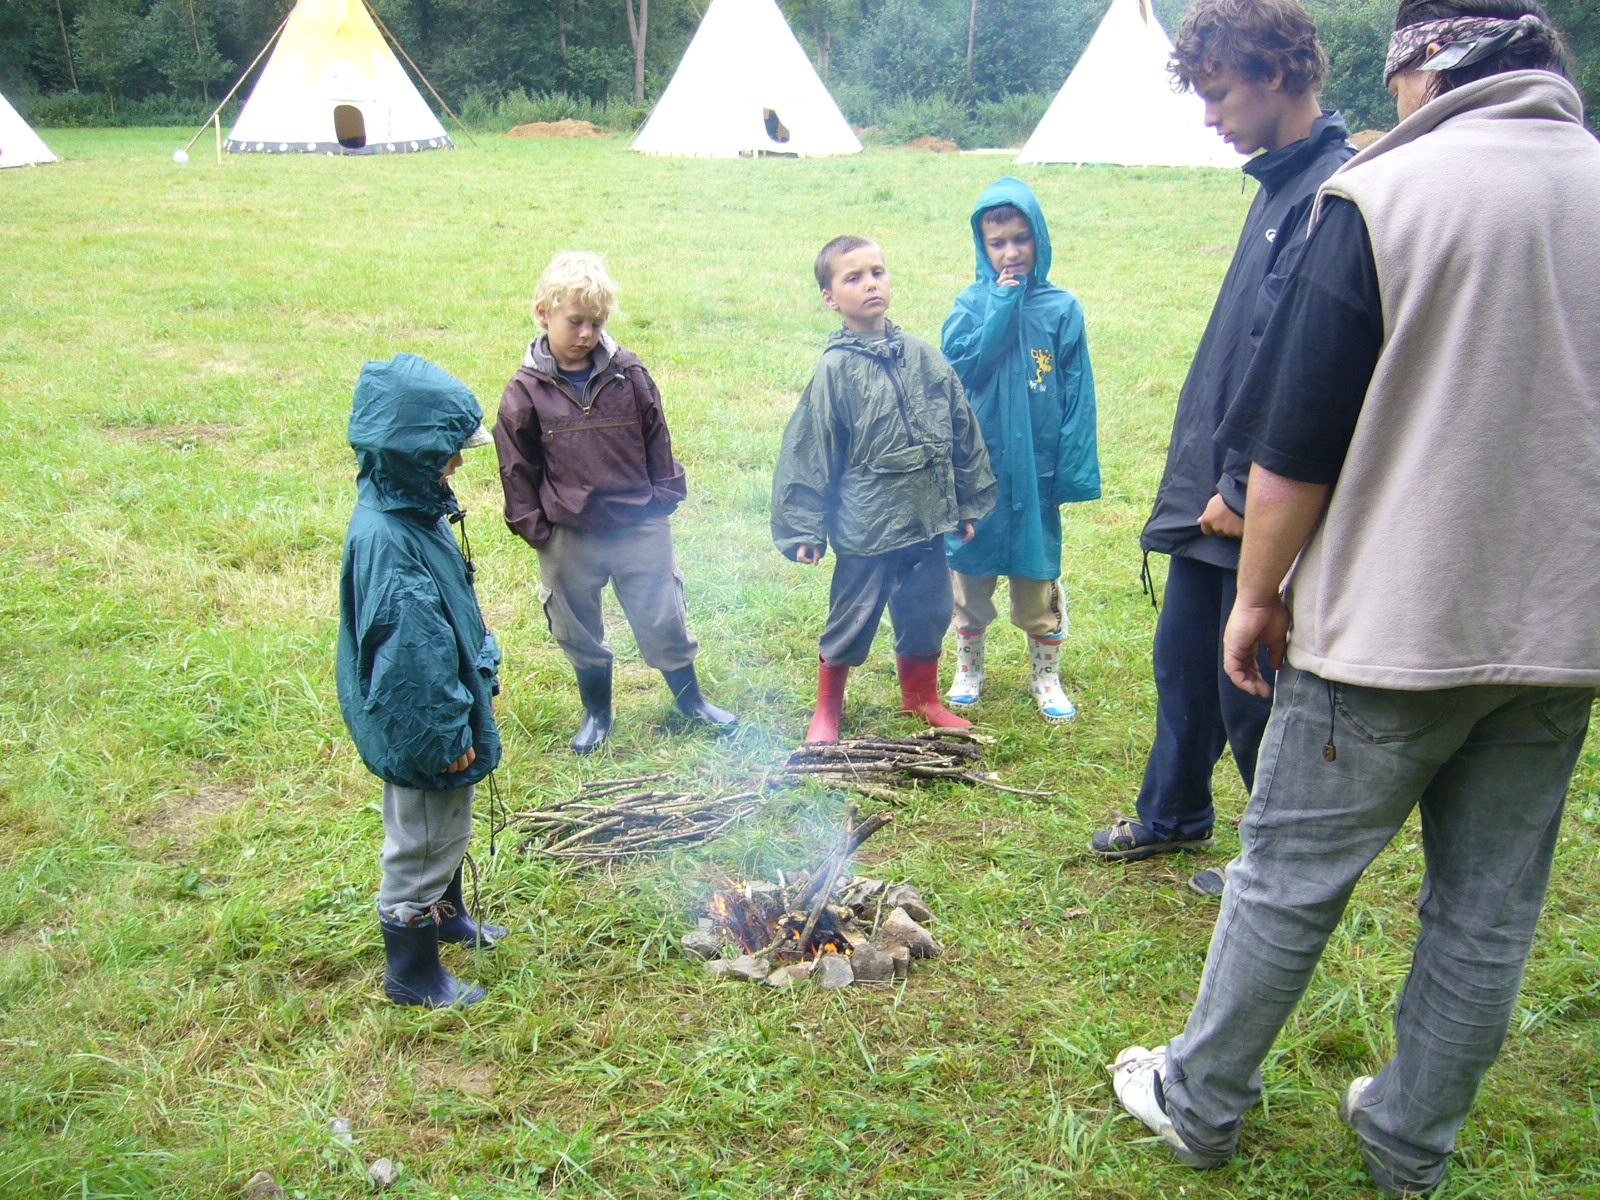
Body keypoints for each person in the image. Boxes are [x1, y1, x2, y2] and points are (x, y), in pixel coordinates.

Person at [1108, 3, 1600, 1194]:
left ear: (1428, 63)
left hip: (1389, 628)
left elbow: (1293, 448)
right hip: (1562, 632)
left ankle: (1199, 1099)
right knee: (1486, 911)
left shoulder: (1381, 194)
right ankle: (1407, 1137)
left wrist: (1256, 594)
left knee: (1284, 880)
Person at [1090, 0, 1353, 897]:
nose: (1210, 117)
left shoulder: (1329, 194)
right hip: (1214, 485)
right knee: (1183, 665)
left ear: (1276, 74)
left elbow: (1300, 365)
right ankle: (1173, 814)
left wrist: (1240, 487)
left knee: (1251, 690)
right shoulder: (1279, 183)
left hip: (1255, 495)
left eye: (1220, 94)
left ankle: (1277, 866)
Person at [494, 251, 736, 755]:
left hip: (637, 523)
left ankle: (691, 702)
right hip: (568, 530)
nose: (586, 334)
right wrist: (534, 526)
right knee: (576, 625)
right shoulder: (526, 389)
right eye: (575, 322)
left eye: (597, 323)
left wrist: (663, 497)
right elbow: (516, 464)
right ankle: (597, 714)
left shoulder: (628, 373)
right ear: (543, 313)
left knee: (662, 613)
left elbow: (656, 434)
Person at [773, 235, 996, 743]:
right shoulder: (835, 370)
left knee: (929, 610)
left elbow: (962, 428)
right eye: (852, 278)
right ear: (830, 298)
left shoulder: (923, 356)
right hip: (867, 526)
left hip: (925, 517)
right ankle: (827, 711)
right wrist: (805, 526)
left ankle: (922, 698)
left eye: (877, 271)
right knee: (851, 617)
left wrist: (965, 501)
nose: (870, 284)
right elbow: (811, 448)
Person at [336, 353, 507, 1009]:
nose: (458, 462)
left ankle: (447, 915)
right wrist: (442, 735)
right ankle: (412, 972)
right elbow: (410, 655)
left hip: (443, 710)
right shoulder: (389, 538)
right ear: (410, 454)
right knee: (425, 838)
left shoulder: (413, 512)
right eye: (447, 451)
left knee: (447, 825)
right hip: (425, 724)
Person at [941, 177, 1100, 726]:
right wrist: (1001, 306)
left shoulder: (1062, 309)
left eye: (1021, 238)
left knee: (1038, 575)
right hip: (979, 469)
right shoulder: (971, 304)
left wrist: (1070, 472)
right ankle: (968, 668)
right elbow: (962, 370)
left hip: (1036, 469)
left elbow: (1077, 393)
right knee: (970, 571)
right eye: (997, 242)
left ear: (1040, 238)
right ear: (982, 247)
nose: (1010, 252)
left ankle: (1046, 676)